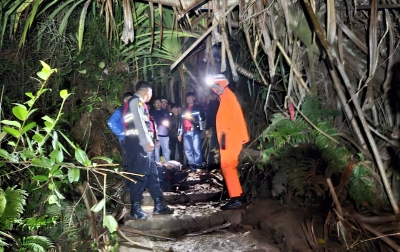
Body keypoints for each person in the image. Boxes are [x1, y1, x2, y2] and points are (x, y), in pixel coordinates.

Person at [122, 81, 174, 219]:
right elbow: (139, 123)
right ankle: (135, 208)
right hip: (138, 144)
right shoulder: (136, 102)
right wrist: (146, 142)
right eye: (151, 93)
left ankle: (159, 204)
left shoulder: (137, 103)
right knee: (139, 175)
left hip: (142, 144)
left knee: (152, 174)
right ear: (147, 92)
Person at [208, 74, 249, 210]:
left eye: (218, 85)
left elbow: (228, 121)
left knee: (228, 166)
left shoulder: (228, 98)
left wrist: (224, 139)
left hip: (230, 139)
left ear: (224, 84)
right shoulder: (226, 97)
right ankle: (236, 194)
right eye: (214, 86)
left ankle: (236, 197)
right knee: (228, 167)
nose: (216, 88)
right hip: (229, 138)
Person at [178, 92, 205, 171]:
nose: (189, 99)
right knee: (188, 150)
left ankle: (198, 166)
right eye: (187, 97)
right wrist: (179, 133)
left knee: (196, 149)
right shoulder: (184, 109)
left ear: (194, 98)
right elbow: (181, 122)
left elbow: (203, 118)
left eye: (190, 97)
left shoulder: (198, 107)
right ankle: (192, 167)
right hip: (186, 132)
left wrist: (194, 120)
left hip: (195, 131)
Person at [107, 92, 133, 171]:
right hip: (124, 139)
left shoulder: (132, 110)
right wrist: (121, 132)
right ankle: (127, 180)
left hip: (133, 138)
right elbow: (111, 122)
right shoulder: (121, 111)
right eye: (130, 99)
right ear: (125, 100)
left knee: (133, 159)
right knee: (126, 160)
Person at [150, 98, 171, 163]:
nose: (158, 104)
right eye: (156, 103)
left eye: (159, 102)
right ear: (154, 104)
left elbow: (169, 121)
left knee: (166, 151)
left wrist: (168, 125)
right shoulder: (152, 113)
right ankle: (158, 164)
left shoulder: (165, 111)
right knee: (156, 151)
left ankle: (167, 164)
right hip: (157, 136)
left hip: (165, 135)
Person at [205, 90, 220, 168]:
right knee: (212, 147)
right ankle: (210, 165)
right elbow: (209, 117)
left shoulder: (220, 103)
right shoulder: (211, 104)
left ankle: (217, 165)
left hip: (221, 128)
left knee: (219, 147)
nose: (212, 97)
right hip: (214, 128)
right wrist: (208, 128)